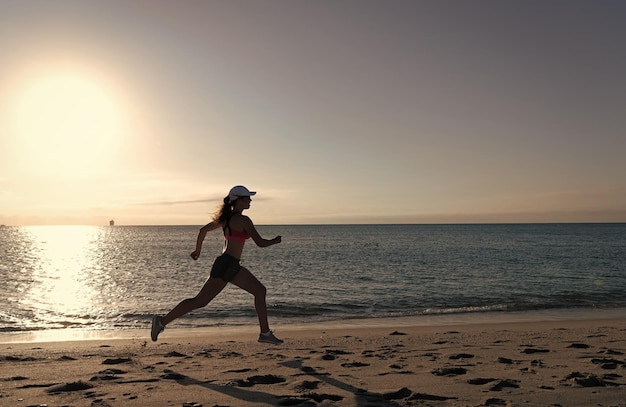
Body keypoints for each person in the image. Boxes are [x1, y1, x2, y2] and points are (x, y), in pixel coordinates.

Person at [151, 185, 283, 344]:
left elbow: (203, 231)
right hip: (227, 265)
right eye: (247, 197)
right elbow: (261, 243)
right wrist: (275, 241)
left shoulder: (225, 219)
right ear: (238, 200)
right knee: (199, 301)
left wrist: (197, 250)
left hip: (229, 264)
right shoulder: (243, 220)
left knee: (259, 291)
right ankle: (161, 321)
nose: (250, 200)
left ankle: (265, 333)